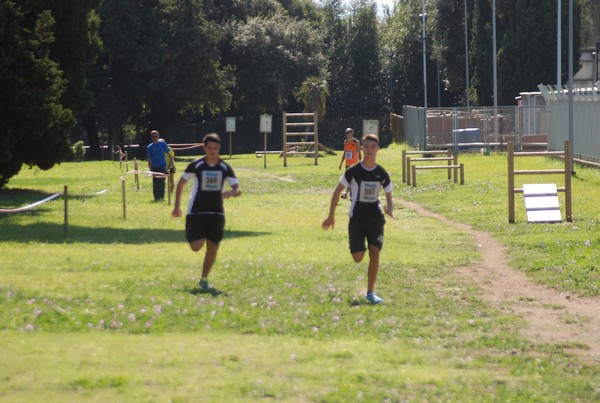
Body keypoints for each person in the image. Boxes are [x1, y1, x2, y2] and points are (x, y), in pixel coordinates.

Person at [322, 133, 394, 304]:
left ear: (378, 149)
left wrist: (389, 208)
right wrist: (331, 216)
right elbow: (337, 192)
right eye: (366, 146)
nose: (369, 150)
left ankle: (370, 292)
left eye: (373, 147)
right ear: (362, 148)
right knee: (358, 257)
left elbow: (389, 196)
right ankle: (360, 251)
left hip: (376, 217)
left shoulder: (381, 173)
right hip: (357, 219)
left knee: (375, 251)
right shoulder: (353, 171)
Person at [171, 133, 241, 292]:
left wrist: (231, 193)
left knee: (213, 246)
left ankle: (204, 279)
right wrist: (177, 207)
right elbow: (181, 183)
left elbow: (238, 189)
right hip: (196, 212)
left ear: (219, 148)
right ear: (205, 148)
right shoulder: (196, 165)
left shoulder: (224, 167)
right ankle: (191, 233)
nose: (213, 151)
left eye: (215, 148)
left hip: (217, 213)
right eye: (209, 148)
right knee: (196, 246)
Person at [146, 130, 175, 201]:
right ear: (151, 138)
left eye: (156, 136)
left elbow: (169, 154)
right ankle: (156, 197)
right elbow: (149, 159)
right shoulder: (150, 147)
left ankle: (161, 197)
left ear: (158, 136)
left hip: (162, 167)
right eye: (153, 136)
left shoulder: (162, 144)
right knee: (155, 183)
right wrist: (151, 169)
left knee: (162, 182)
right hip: (154, 167)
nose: (155, 138)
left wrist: (171, 163)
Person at [338, 128, 362, 199]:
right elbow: (345, 153)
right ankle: (352, 194)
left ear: (352, 133)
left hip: (355, 164)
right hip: (348, 164)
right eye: (346, 133)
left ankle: (347, 194)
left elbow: (359, 153)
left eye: (349, 132)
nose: (347, 134)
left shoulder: (356, 142)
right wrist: (341, 163)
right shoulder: (345, 142)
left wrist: (360, 162)